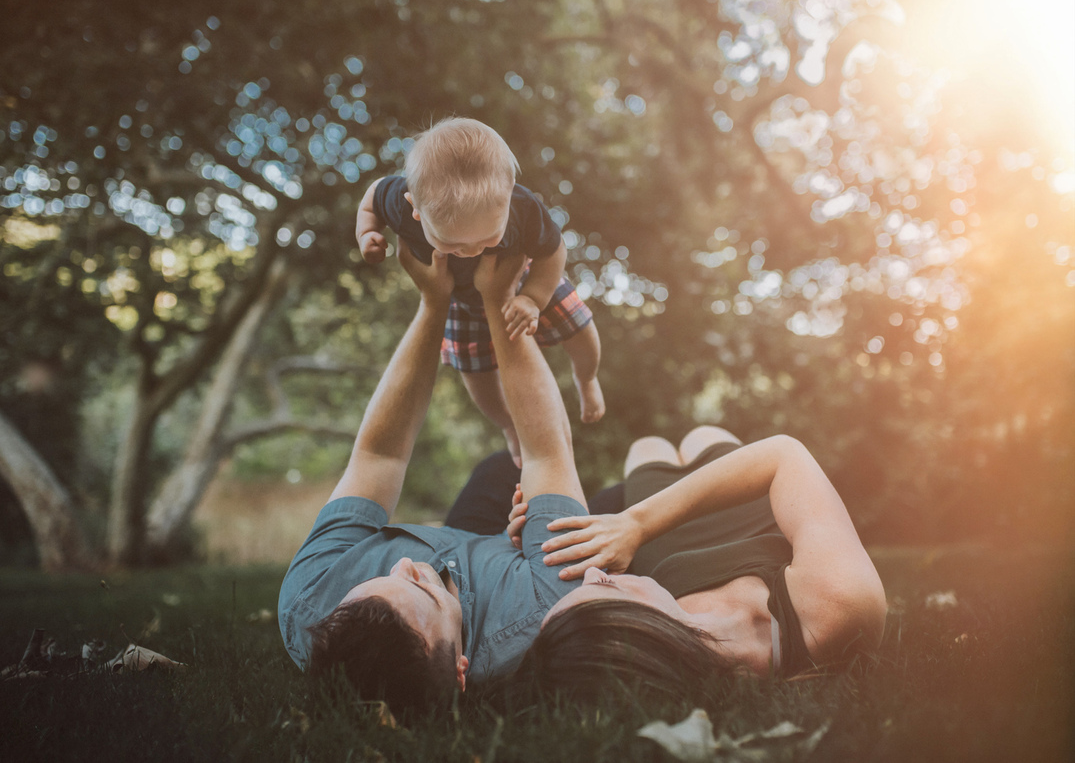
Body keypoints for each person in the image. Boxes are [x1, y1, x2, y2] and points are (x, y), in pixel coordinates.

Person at [277, 247, 588, 717]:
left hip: (471, 545)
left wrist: (433, 303)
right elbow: (549, 451)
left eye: (379, 580)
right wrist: (500, 299)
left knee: (497, 467)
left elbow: (379, 456)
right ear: (461, 669)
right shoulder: (542, 613)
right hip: (509, 574)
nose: (404, 562)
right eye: (421, 587)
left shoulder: (310, 596)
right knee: (583, 492)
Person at [502, 425, 887, 702]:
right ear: (643, 633)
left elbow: (598, 563)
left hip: (661, 525)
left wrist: (537, 540)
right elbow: (784, 454)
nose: (592, 573)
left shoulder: (666, 621)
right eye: (602, 587)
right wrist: (635, 523)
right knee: (702, 436)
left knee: (647, 443)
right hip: (744, 501)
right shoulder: (837, 607)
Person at [354, 117, 604, 466]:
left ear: (508, 195)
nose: (471, 251)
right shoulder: (396, 200)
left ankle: (586, 376)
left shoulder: (523, 207)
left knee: (582, 329)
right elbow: (370, 199)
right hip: (460, 301)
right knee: (477, 377)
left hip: (526, 279)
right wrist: (367, 234)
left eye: (488, 239)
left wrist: (533, 298)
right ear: (414, 206)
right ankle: (509, 425)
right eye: (451, 242)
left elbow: (553, 252)